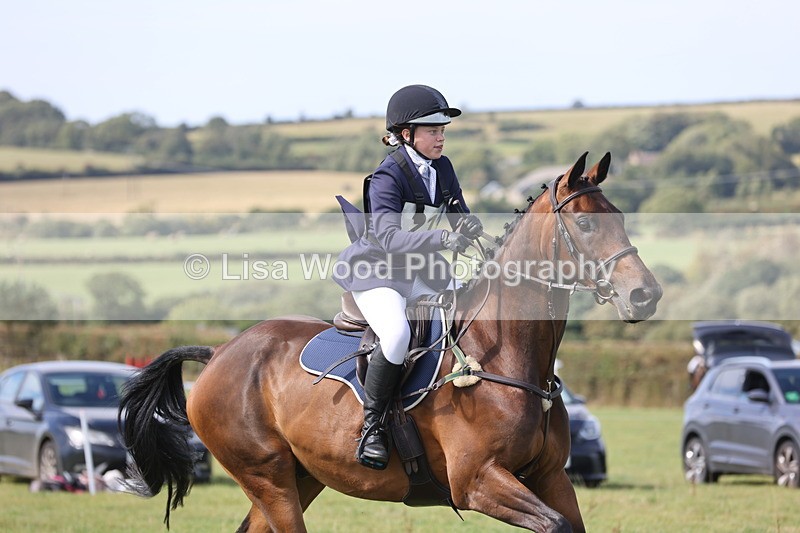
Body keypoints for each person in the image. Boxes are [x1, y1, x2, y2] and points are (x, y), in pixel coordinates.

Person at [334, 84, 483, 469]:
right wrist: (444, 238)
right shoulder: (388, 176)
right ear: (406, 134)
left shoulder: (443, 168)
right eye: (433, 131)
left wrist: (472, 229)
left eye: (442, 130)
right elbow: (387, 238)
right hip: (377, 272)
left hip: (420, 270)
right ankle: (372, 427)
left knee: (471, 310)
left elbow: (459, 215)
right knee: (397, 334)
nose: (441, 137)